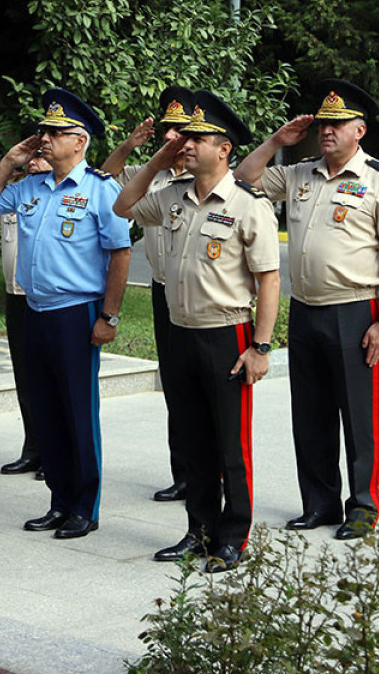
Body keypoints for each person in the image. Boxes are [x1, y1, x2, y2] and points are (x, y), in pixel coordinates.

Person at [235, 79, 379, 540]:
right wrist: (277, 141)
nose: (326, 131)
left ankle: (365, 506)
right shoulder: (299, 173)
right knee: (309, 414)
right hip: (306, 310)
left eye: (337, 125)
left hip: (355, 310)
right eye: (323, 125)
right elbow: (242, 178)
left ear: (360, 131)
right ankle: (319, 503)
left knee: (359, 415)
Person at [114, 90, 280, 573]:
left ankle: (233, 537)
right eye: (182, 138)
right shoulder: (171, 195)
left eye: (195, 138)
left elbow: (269, 280)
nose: (184, 144)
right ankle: (199, 529)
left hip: (226, 334)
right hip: (179, 332)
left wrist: (261, 347)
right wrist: (158, 159)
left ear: (223, 148)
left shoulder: (249, 205)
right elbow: (124, 205)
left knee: (230, 443)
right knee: (192, 440)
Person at [0, 88, 132, 540]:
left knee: (78, 412)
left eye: (56, 132)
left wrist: (110, 316)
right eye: (43, 130)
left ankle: (85, 507)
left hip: (76, 312)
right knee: (46, 412)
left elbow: (120, 253)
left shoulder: (101, 190)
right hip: (35, 310)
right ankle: (59, 501)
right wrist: (7, 163)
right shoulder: (28, 186)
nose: (45, 138)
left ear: (79, 141)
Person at [100, 86, 196, 502]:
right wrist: (129, 145)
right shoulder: (151, 175)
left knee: (202, 389)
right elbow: (107, 177)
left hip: (198, 295)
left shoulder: (202, 175)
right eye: (167, 131)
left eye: (181, 130)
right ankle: (183, 473)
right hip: (161, 290)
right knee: (174, 386)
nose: (173, 138)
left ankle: (212, 473)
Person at [0, 123, 53, 480]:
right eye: (29, 157)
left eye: (40, 157)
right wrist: (8, 164)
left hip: (46, 297)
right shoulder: (15, 193)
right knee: (24, 376)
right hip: (14, 294)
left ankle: (53, 453)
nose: (32, 163)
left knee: (50, 379)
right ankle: (32, 447)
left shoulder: (59, 195)